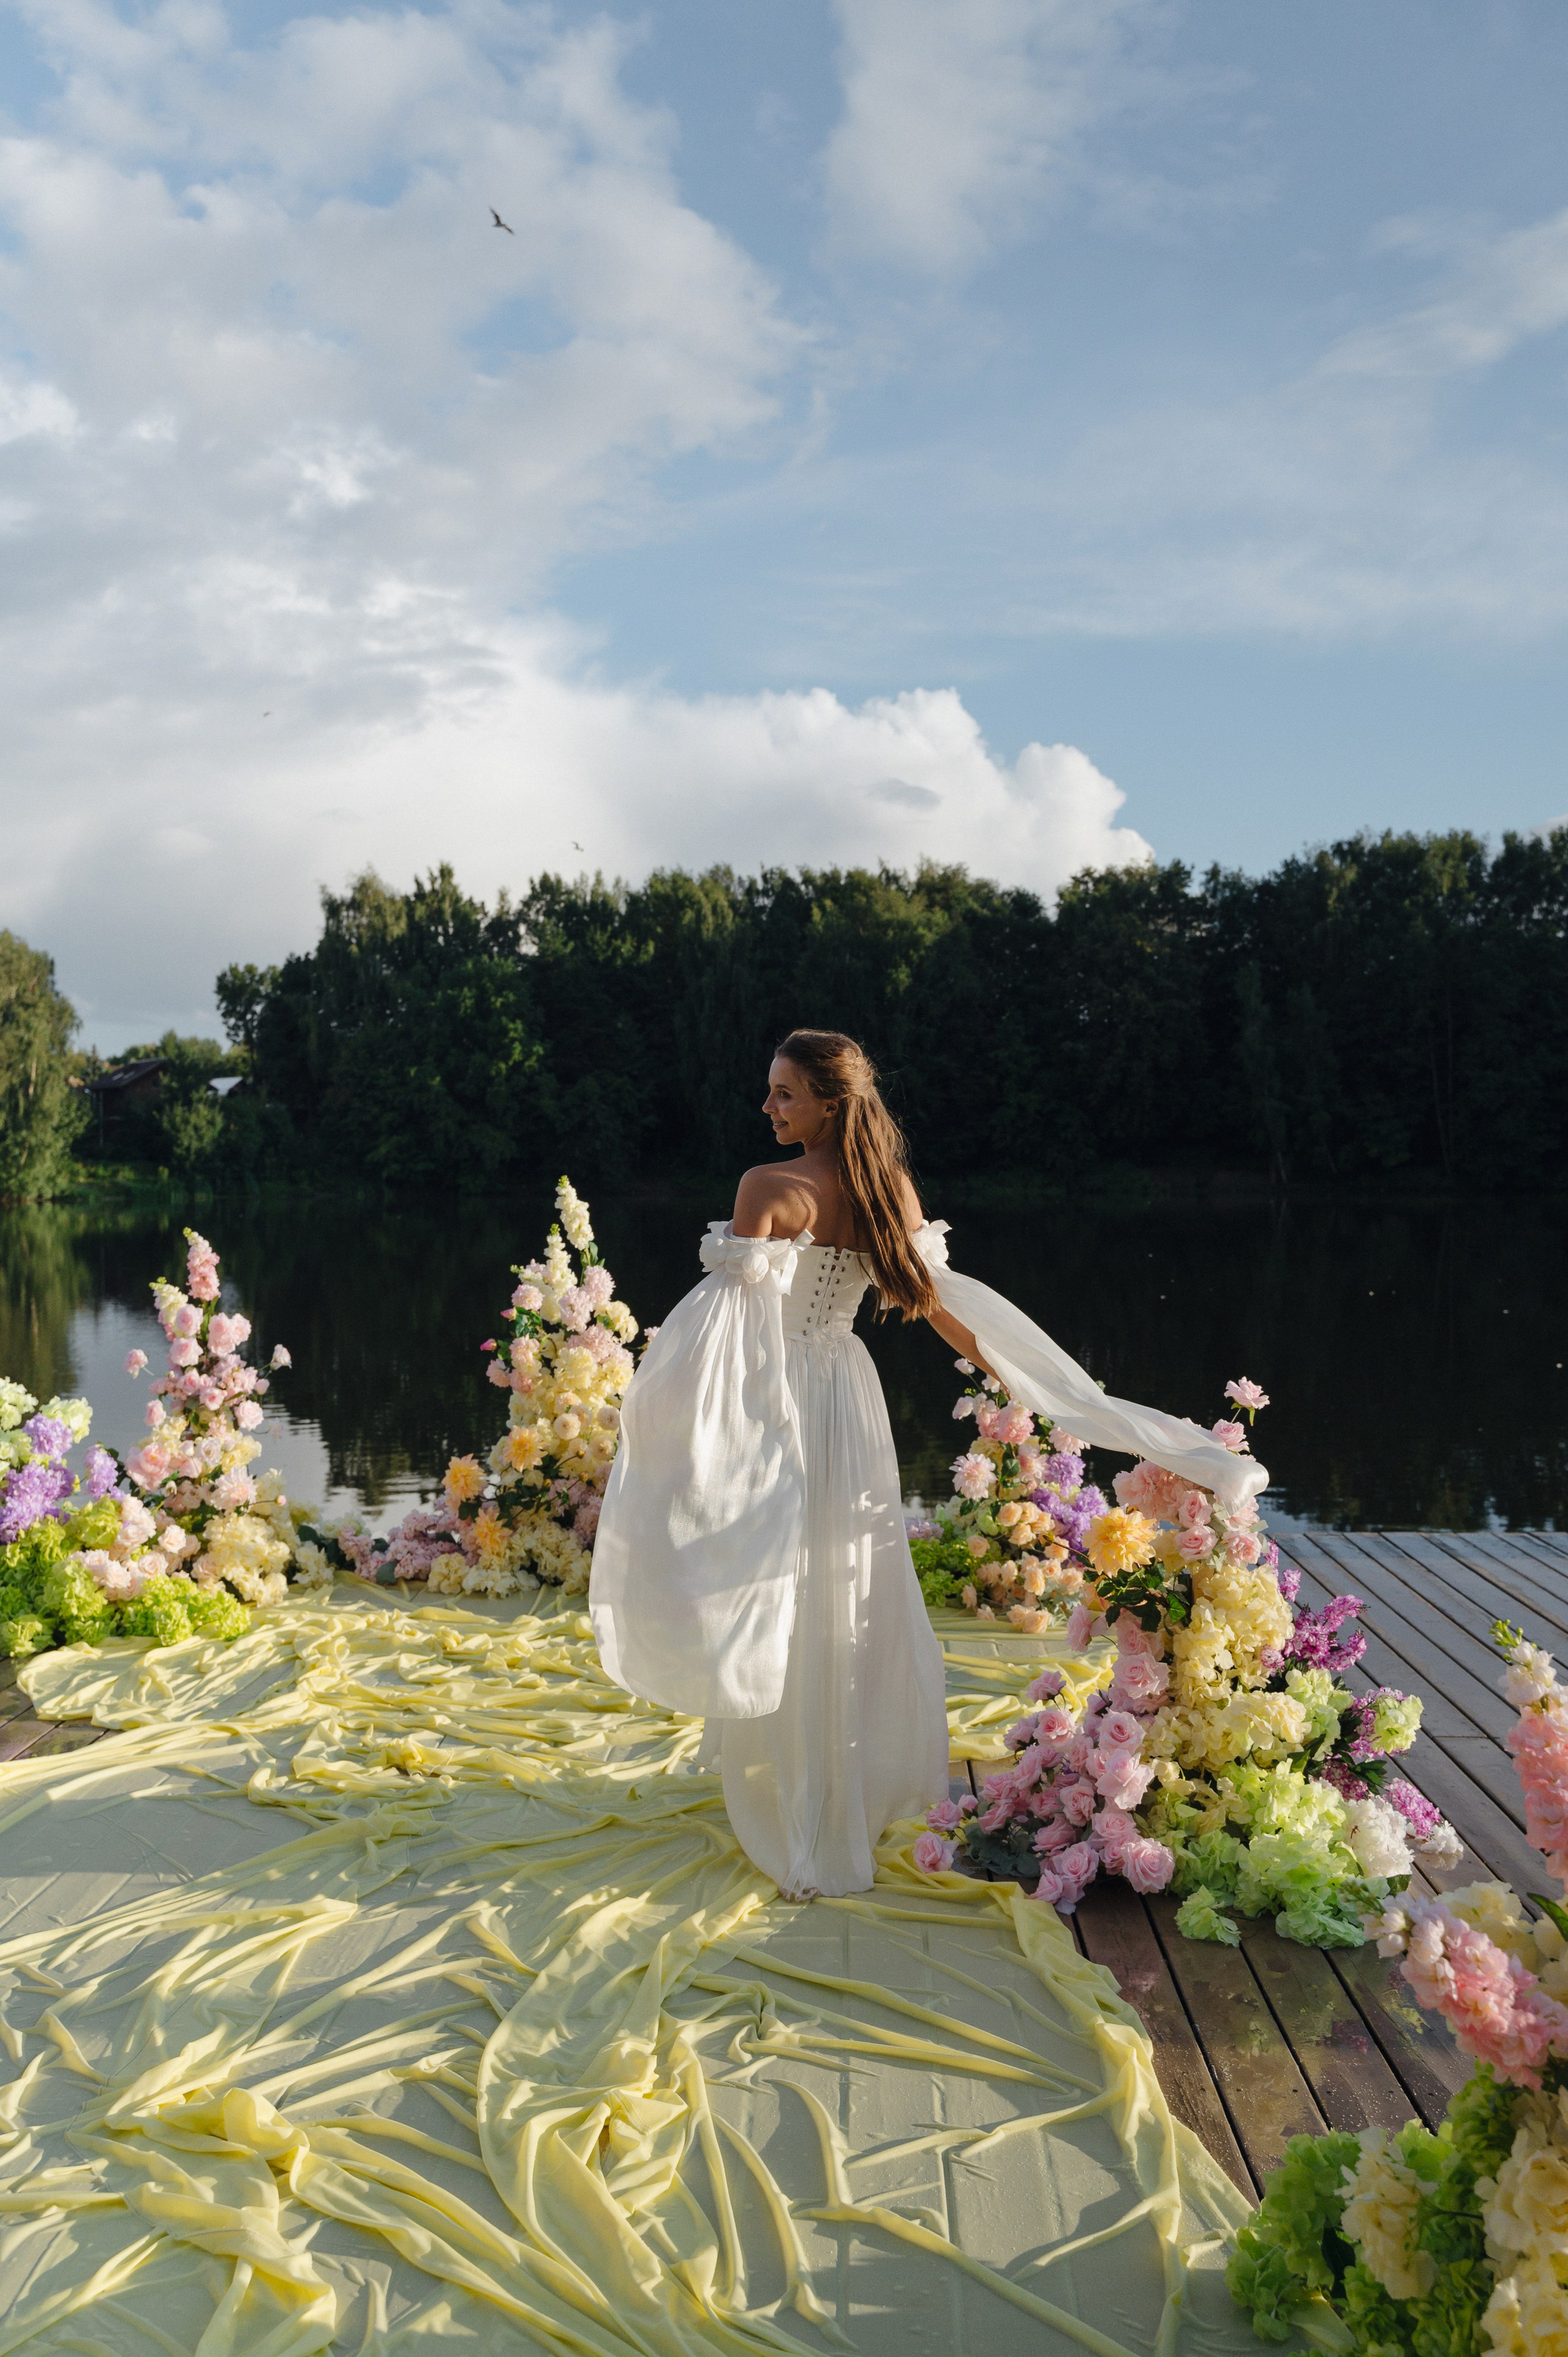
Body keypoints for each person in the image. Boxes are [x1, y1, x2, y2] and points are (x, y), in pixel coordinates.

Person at [590, 1028, 1265, 1903]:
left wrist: (668, 1422)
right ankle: (839, 1781)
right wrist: (1018, 1376)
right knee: (846, 1582)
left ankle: (797, 1792)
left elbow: (727, 1338)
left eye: (784, 1093)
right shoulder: (888, 1188)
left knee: (775, 1577)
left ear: (829, 1102)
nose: (768, 1108)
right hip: (846, 1396)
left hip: (782, 1398)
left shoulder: (767, 1189)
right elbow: (942, 1308)